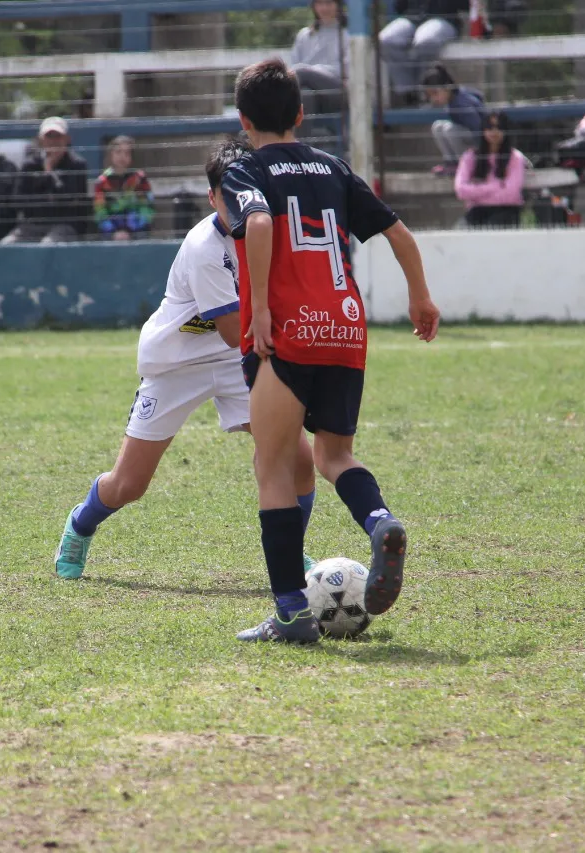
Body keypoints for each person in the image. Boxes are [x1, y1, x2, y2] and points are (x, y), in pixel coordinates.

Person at [221, 58, 440, 643]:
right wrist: (420, 297)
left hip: (287, 331)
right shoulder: (333, 166)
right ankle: (380, 520)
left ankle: (291, 615)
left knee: (272, 468)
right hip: (344, 327)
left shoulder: (244, 169)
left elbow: (261, 227)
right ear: (299, 113)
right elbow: (399, 234)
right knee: (334, 456)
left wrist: (262, 309)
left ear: (244, 120)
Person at [53, 137, 318, 581]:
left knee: (300, 461)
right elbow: (236, 332)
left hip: (241, 361)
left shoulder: (273, 229)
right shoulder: (205, 249)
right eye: (226, 196)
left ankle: (291, 554)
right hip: (178, 363)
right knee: (129, 485)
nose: (238, 204)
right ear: (211, 196)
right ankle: (80, 524)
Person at [1, 117, 92, 244]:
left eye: (58, 136)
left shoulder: (77, 164)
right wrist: (45, 179)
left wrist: (50, 176)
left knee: (48, 244)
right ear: (41, 140)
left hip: (64, 225)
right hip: (33, 224)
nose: (54, 141)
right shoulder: (29, 165)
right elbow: (18, 200)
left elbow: (70, 200)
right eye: (49, 136)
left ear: (67, 139)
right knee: (8, 244)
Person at [378, 0, 463, 105]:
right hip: (412, 17)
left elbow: (464, 5)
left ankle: (424, 91)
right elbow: (399, 6)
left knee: (425, 41)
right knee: (386, 40)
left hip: (443, 17)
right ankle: (407, 93)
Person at [454, 110, 527, 229]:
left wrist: (477, 193)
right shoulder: (470, 157)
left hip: (506, 211)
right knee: (459, 232)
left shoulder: (515, 157)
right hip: (477, 211)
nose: (494, 131)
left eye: (499, 127)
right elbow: (461, 190)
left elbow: (511, 194)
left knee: (491, 231)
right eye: (489, 127)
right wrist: (497, 186)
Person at [290, 0, 349, 133]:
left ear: (338, 5)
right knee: (305, 96)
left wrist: (313, 72)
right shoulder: (304, 35)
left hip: (338, 91)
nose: (324, 8)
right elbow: (293, 65)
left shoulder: (347, 33)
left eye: (329, 3)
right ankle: (300, 150)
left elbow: (346, 71)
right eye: (320, 3)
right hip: (310, 93)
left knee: (302, 72)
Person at [422, 64, 485, 175]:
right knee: (438, 126)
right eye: (430, 95)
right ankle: (451, 163)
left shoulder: (462, 104)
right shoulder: (452, 99)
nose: (433, 99)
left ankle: (465, 165)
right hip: (467, 137)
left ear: (447, 88)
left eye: (435, 93)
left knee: (450, 130)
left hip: (480, 143)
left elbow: (479, 130)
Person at [93, 136, 155, 241]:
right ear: (111, 154)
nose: (122, 157)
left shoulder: (140, 179)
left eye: (127, 153)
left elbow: (147, 209)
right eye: (118, 152)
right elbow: (100, 212)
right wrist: (113, 232)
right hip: (110, 233)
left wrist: (132, 230)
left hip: (137, 231)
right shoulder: (102, 181)